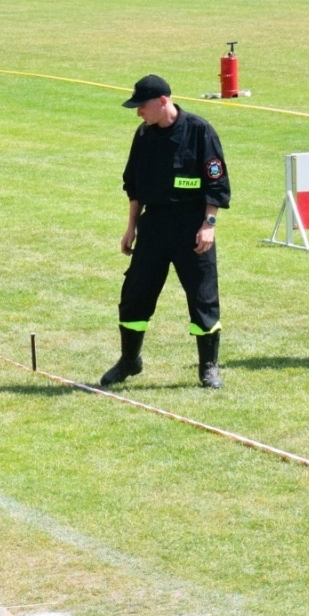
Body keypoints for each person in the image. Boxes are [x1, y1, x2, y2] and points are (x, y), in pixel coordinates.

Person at [101, 74, 230, 390]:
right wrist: (131, 227)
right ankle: (129, 360)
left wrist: (208, 225)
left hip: (192, 227)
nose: (138, 112)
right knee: (135, 295)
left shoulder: (200, 131)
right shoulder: (144, 135)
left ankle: (208, 367)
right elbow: (133, 184)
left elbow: (216, 183)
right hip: (154, 226)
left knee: (202, 298)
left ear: (162, 101)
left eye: (142, 106)